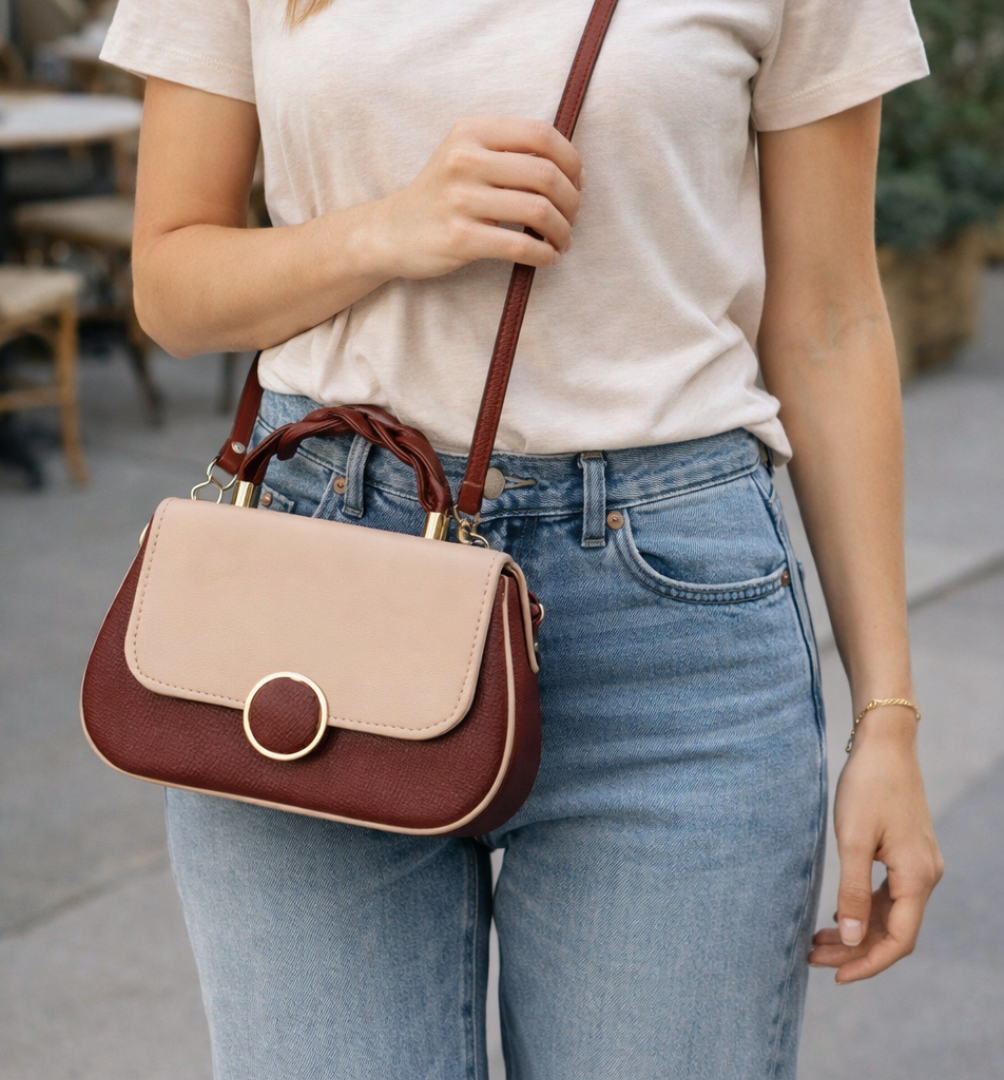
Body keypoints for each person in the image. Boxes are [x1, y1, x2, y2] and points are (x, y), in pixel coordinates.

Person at [101, 1, 944, 1076]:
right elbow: (171, 287)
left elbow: (831, 322)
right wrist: (387, 231)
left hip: (672, 624)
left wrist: (888, 718)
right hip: (318, 596)